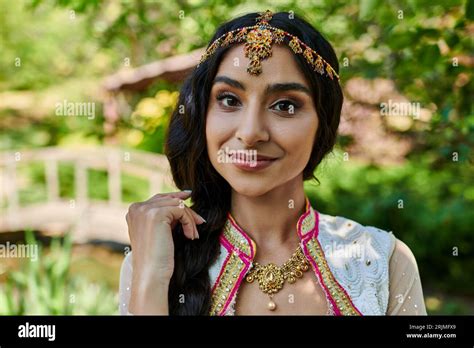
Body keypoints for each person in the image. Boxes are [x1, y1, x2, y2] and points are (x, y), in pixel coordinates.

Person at [119, 10, 426, 316]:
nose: (251, 132)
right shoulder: (157, 257)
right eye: (229, 100)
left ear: (323, 124)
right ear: (202, 114)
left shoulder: (381, 261)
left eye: (285, 105)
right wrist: (151, 281)